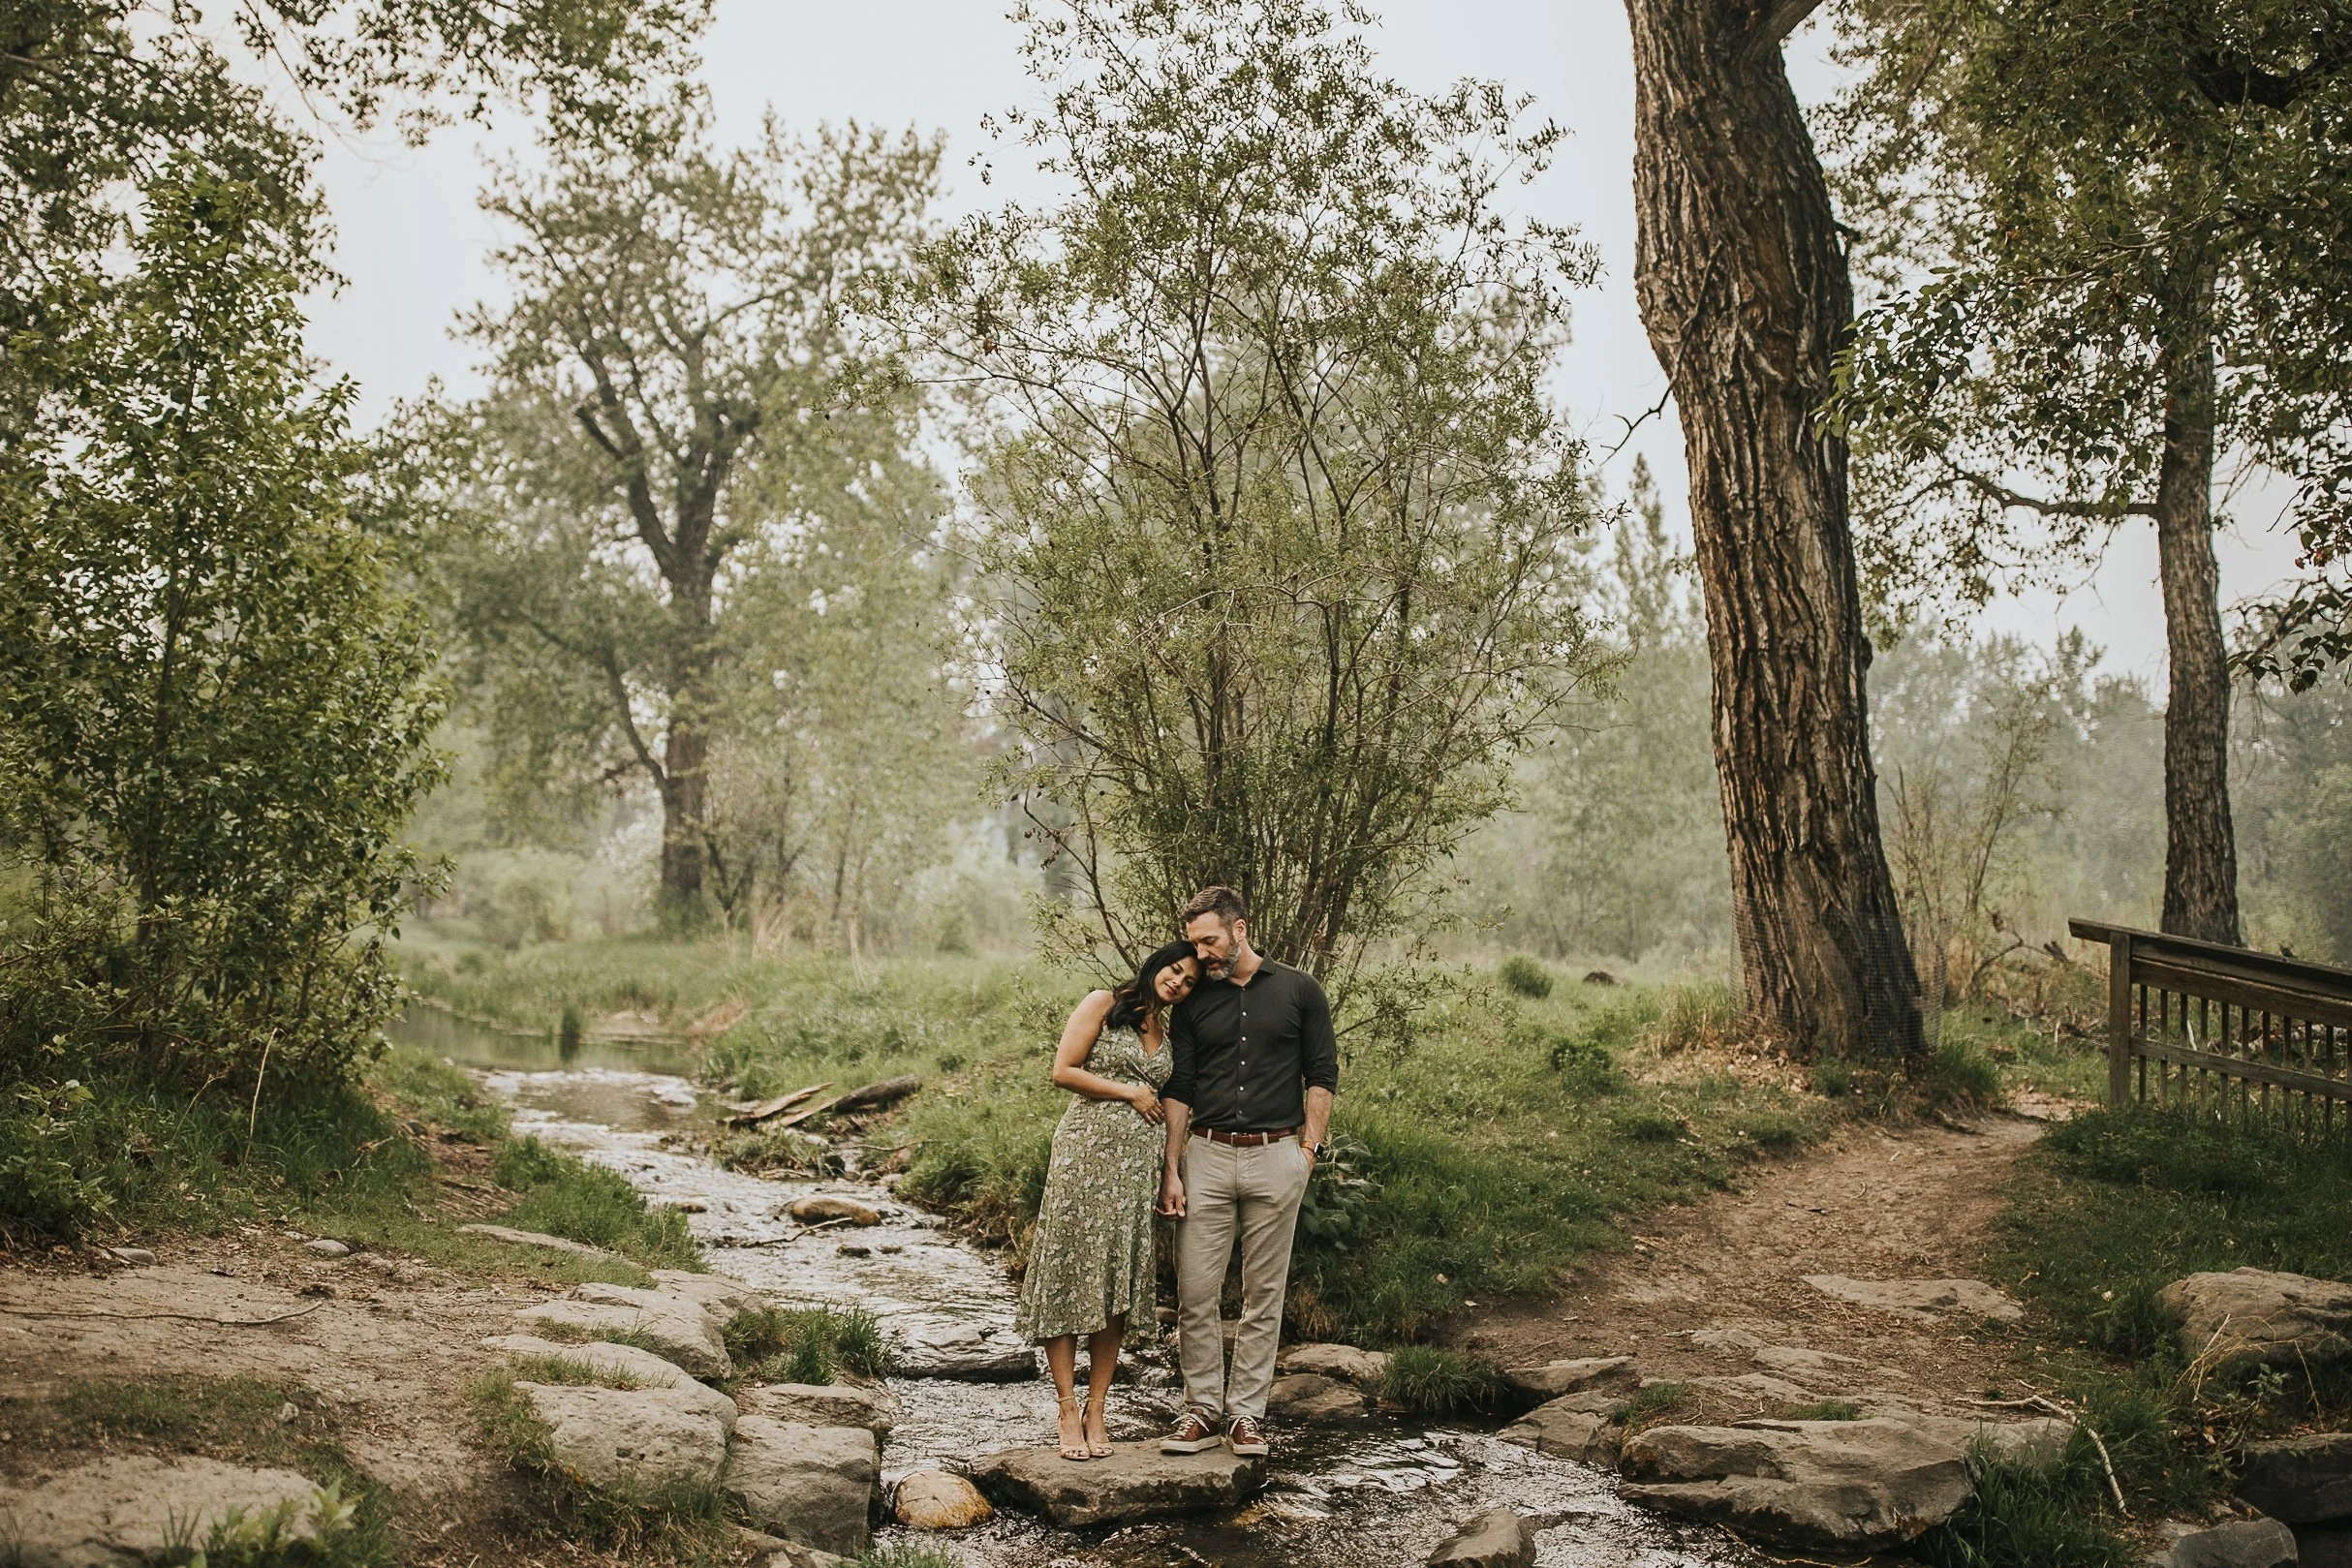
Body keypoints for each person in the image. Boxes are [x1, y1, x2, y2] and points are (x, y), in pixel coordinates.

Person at [1156, 885, 1338, 1459]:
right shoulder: (1192, 1003)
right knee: (1196, 1291)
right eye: (1194, 943)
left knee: (1264, 1293)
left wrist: (1306, 1152)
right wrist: (1172, 1168)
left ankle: (1246, 1417)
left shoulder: (1300, 989)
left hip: (1276, 1156)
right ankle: (1203, 1409)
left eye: (1209, 940)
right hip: (1205, 1155)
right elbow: (1180, 1087)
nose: (1201, 954)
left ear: (1240, 929)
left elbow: (1321, 1073)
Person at [1014, 939, 1201, 1461]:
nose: (1178, 983)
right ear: (1156, 963)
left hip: (1135, 1170)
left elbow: (1170, 1103)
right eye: (1174, 970)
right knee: (1072, 1273)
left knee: (1115, 1282)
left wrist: (1170, 1172)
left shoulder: (1167, 1033)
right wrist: (1127, 1091)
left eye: (1189, 982)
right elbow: (1063, 1071)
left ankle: (1099, 1407)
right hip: (1083, 1157)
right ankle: (1067, 1406)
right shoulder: (1103, 1002)